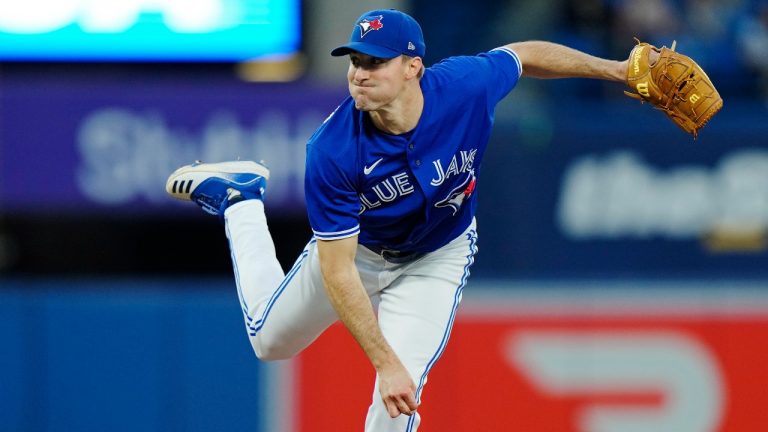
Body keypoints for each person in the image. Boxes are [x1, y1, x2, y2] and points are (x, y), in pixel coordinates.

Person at [166, 8, 629, 431]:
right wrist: (382, 360)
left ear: (413, 67)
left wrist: (618, 70)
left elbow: (524, 55)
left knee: (398, 399)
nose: (359, 74)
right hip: (360, 253)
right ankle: (242, 201)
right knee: (270, 343)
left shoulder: (464, 86)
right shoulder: (332, 150)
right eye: (355, 61)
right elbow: (337, 269)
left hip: (437, 255)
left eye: (374, 62)